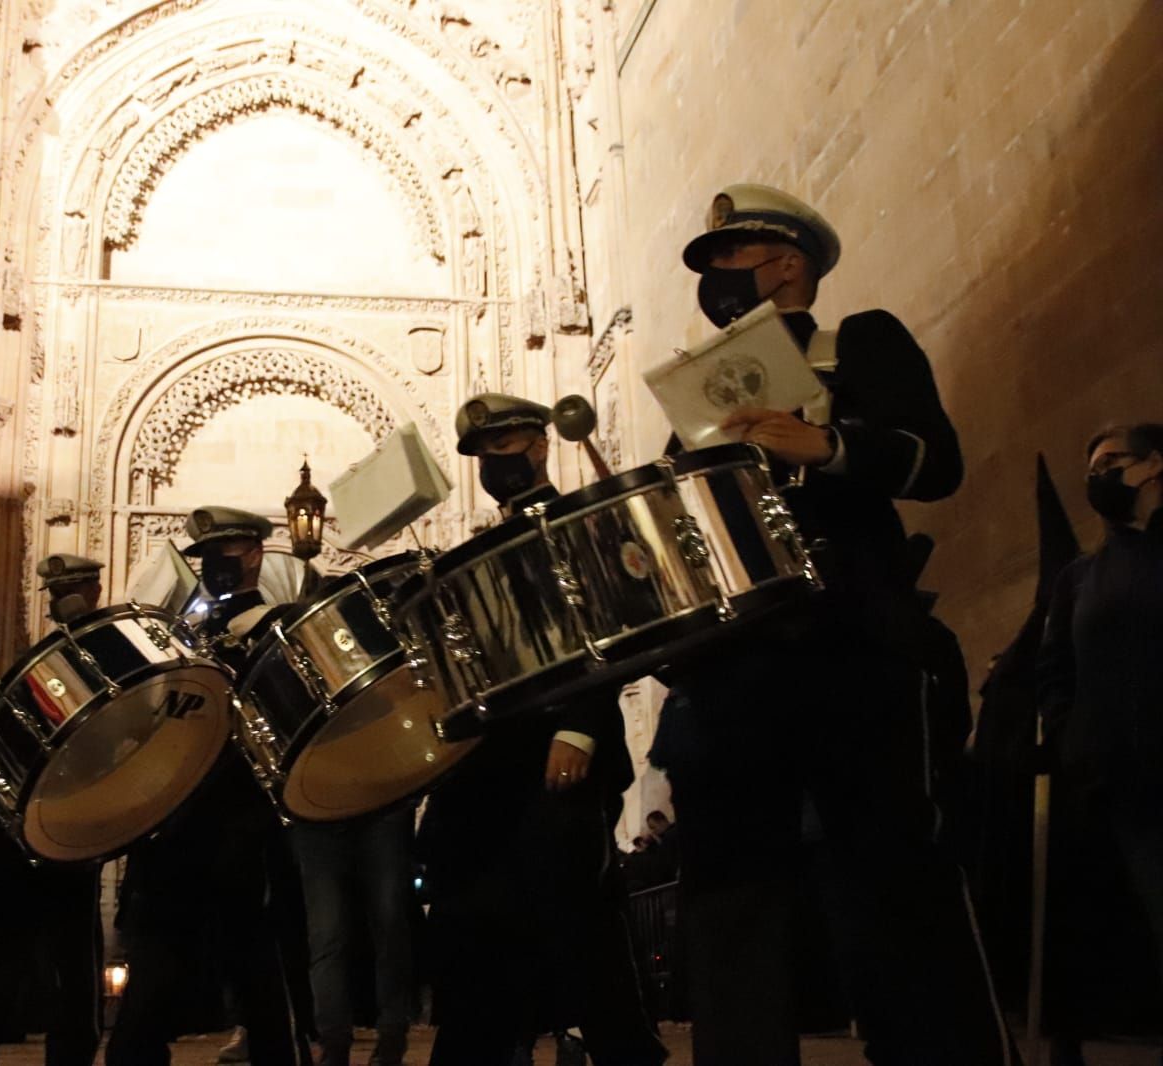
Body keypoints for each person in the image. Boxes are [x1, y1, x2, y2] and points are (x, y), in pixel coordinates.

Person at [649, 183, 1017, 1064]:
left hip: (853, 651)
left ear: (789, 263)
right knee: (731, 899)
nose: (715, 277)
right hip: (736, 675)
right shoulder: (697, 399)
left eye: (731, 258)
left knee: (892, 881)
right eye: (708, 265)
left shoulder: (860, 343)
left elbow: (937, 460)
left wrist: (832, 445)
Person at [421, 394, 668, 1066]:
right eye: (482, 456)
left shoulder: (584, 521)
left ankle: (623, 1049)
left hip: (564, 748)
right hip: (494, 760)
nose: (493, 465)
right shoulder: (483, 547)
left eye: (503, 449)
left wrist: (583, 728)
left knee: (577, 922)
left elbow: (613, 628)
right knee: (473, 915)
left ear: (538, 443)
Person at [106, 508, 308, 1066]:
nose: (214, 567)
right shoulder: (189, 632)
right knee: (163, 947)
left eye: (224, 555)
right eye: (207, 559)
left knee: (251, 955)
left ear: (254, 555)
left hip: (239, 812)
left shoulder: (273, 626)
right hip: (180, 810)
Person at [0, 554, 108, 1066]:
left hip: (50, 823)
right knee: (37, 955)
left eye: (66, 589)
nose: (62, 600)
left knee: (40, 954)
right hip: (40, 826)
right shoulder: (54, 660)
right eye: (59, 592)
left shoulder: (73, 656)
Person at [1039, 423, 1163, 1065]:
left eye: (1112, 461)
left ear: (1154, 465)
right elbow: (1057, 669)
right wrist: (1071, 738)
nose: (1099, 476)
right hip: (1120, 778)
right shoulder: (1081, 576)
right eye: (1091, 466)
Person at [287, 806, 416, 1066]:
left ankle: (349, 1043)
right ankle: (364, 1041)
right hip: (350, 809)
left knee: (335, 937)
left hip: (330, 808)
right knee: (377, 931)